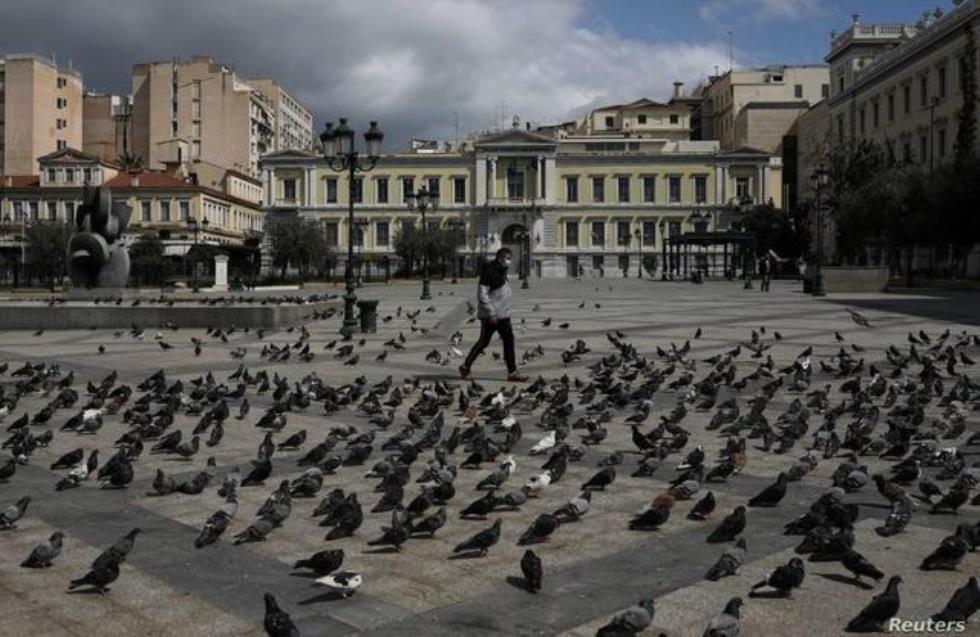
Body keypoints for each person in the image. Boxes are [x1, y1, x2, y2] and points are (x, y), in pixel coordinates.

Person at [460, 247, 527, 382]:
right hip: (491, 316)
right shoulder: (489, 272)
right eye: (506, 258)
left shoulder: (502, 271)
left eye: (509, 258)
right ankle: (465, 366)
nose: (508, 261)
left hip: (503, 315)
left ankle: (512, 371)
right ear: (499, 258)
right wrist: (491, 313)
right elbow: (482, 294)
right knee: (483, 342)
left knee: (509, 341)